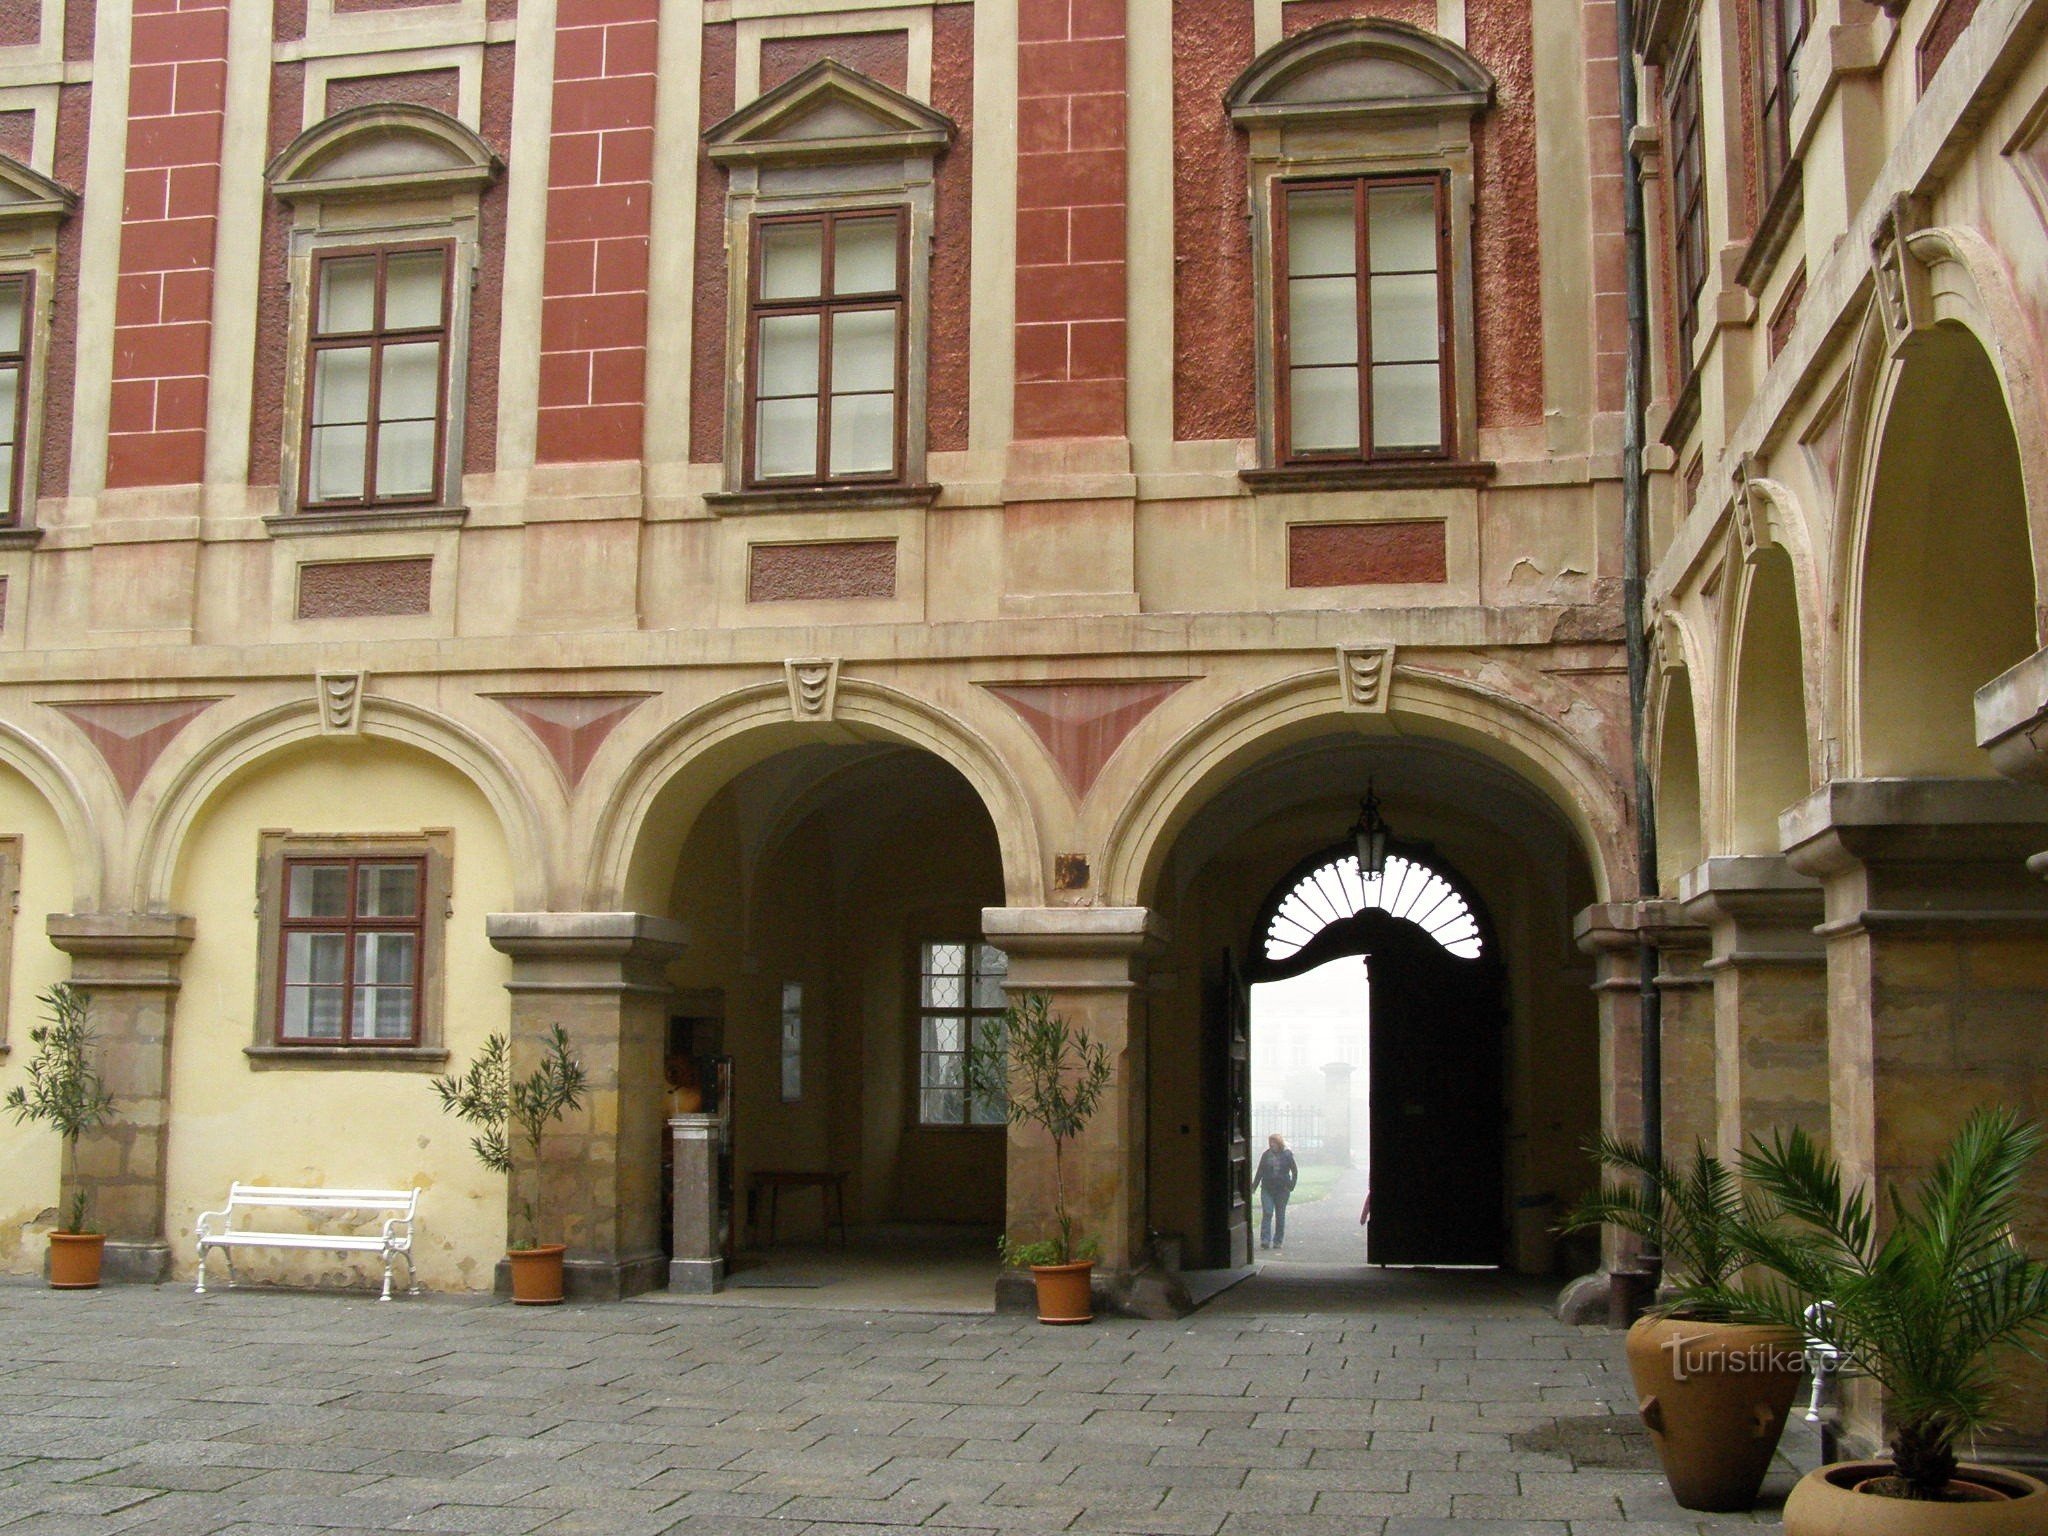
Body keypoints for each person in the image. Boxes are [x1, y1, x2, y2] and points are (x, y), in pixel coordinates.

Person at [1250, 1133, 1299, 1253]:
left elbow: (1294, 1170)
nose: (1272, 1145)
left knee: (1280, 1215)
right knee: (1267, 1212)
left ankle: (1278, 1240)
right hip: (1267, 1188)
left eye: (1274, 1142)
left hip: (1282, 1190)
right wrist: (1254, 1186)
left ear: (1279, 1143)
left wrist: (1291, 1185)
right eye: (1270, 1142)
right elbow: (1260, 1171)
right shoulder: (1266, 1155)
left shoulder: (1287, 1155)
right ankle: (1265, 1240)